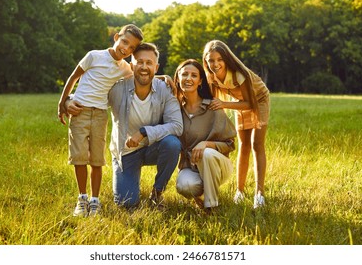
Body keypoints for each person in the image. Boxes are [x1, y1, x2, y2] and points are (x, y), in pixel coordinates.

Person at [67, 42, 183, 208]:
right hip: (126, 152)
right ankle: (127, 184)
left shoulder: (165, 89)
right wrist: (68, 100)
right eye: (139, 62)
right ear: (131, 66)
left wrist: (144, 132)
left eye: (149, 63)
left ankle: (157, 193)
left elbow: (177, 126)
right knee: (126, 203)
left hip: (153, 147)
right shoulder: (117, 88)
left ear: (156, 67)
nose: (144, 67)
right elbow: (89, 95)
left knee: (172, 144)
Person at [57, 24, 144, 217]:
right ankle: (82, 198)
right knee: (79, 158)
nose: (126, 49)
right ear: (116, 38)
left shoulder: (125, 68)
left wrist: (165, 78)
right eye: (124, 42)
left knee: (97, 159)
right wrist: (63, 103)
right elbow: (73, 77)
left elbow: (142, 77)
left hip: (100, 115)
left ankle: (95, 201)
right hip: (79, 111)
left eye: (131, 48)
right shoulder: (94, 56)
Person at [202, 40, 270, 209]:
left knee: (256, 144)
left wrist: (224, 104)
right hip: (239, 102)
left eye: (219, 59)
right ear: (206, 61)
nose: (215, 64)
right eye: (211, 60)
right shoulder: (211, 76)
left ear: (226, 59)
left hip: (258, 100)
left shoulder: (240, 74)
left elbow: (249, 103)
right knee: (243, 145)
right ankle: (240, 191)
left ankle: (259, 194)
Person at [174, 59, 236, 214]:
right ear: (178, 79)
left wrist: (207, 144)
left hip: (217, 165)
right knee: (184, 186)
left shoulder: (212, 107)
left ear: (200, 81)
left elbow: (230, 144)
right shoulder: (174, 110)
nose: (189, 78)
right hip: (191, 167)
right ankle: (199, 195)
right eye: (184, 74)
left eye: (194, 75)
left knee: (206, 153)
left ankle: (211, 206)